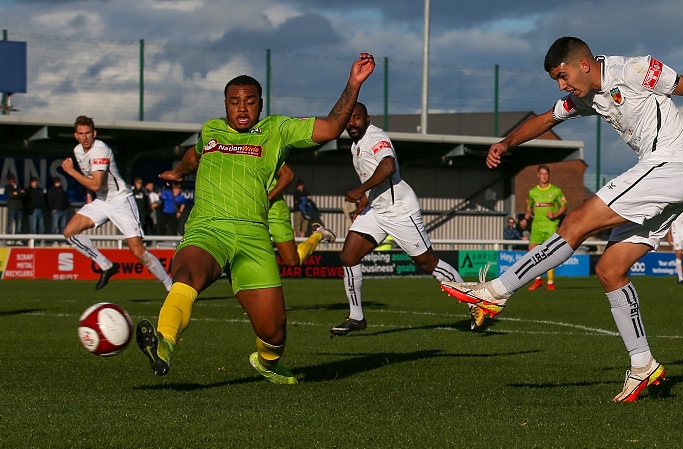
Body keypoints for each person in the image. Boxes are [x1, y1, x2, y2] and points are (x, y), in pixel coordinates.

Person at [440, 37, 683, 402]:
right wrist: (506, 143)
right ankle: (643, 365)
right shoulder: (584, 97)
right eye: (556, 80)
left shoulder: (634, 69)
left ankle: (495, 292)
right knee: (610, 269)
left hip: (670, 166)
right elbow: (546, 118)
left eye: (563, 76)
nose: (563, 86)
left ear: (584, 64)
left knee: (576, 220)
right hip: (663, 177)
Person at [134, 53, 375, 384]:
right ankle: (163, 344)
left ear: (260, 104)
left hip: (253, 236)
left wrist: (354, 82)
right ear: (225, 105)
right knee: (187, 274)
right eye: (234, 102)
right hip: (208, 228)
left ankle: (267, 363)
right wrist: (177, 172)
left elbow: (332, 127)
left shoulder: (277, 129)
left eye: (249, 101)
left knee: (274, 332)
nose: (242, 108)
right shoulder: (211, 130)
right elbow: (194, 155)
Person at [331, 102, 485, 335]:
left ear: (367, 119)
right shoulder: (355, 145)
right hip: (377, 210)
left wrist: (360, 190)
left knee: (428, 263)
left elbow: (388, 167)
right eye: (348, 119)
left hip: (400, 210)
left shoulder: (376, 137)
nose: (352, 123)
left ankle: (475, 302)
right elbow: (374, 174)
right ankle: (356, 316)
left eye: (357, 118)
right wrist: (364, 201)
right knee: (349, 256)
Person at [61, 116, 173, 291]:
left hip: (121, 200)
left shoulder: (100, 149)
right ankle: (106, 265)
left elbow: (96, 183)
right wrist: (90, 196)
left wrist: (70, 171)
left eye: (88, 133)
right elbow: (92, 181)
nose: (85, 137)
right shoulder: (77, 151)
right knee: (70, 232)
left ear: (94, 133)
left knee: (138, 251)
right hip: (102, 201)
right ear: (76, 135)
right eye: (81, 134)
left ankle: (170, 286)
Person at [268, 163, 336, 268]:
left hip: (273, 211)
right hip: (246, 212)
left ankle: (319, 234)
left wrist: (266, 198)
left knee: (292, 260)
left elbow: (288, 174)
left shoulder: (264, 151)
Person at [524, 165, 567, 290]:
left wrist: (555, 214)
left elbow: (564, 206)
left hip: (551, 225)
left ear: (549, 175)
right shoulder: (532, 192)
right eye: (541, 174)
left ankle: (550, 282)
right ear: (538, 175)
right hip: (537, 226)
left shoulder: (555, 191)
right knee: (532, 251)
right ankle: (537, 280)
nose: (544, 176)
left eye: (546, 174)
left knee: (550, 253)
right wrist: (526, 217)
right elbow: (529, 207)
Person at [4, 173, 24, 245]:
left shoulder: (18, 186)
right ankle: (8, 239)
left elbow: (23, 194)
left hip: (19, 208)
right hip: (12, 207)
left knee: (19, 225)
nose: (12, 181)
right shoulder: (8, 187)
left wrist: (17, 193)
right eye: (11, 180)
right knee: (10, 224)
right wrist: (19, 193)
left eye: (13, 179)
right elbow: (11, 195)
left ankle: (18, 239)